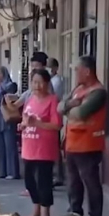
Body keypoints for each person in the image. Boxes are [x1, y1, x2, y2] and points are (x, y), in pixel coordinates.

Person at [59, 55, 108, 216]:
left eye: (77, 70)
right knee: (73, 182)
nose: (75, 73)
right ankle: (75, 212)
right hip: (72, 143)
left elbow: (81, 113)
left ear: (87, 71)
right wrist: (70, 105)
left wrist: (70, 107)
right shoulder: (78, 89)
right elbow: (60, 107)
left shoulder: (98, 92)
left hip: (89, 144)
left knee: (90, 181)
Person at [21, 69, 62, 216]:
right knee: (29, 182)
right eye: (34, 82)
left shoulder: (52, 100)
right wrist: (23, 125)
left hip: (44, 148)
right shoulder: (30, 100)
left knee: (44, 181)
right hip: (29, 146)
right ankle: (36, 209)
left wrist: (37, 123)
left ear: (47, 83)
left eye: (40, 82)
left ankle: (46, 213)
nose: (36, 86)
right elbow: (26, 120)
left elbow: (57, 125)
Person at [0, 67, 21, 179]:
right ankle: (2, 171)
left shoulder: (10, 85)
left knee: (10, 145)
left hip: (7, 116)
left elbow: (7, 92)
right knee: (1, 146)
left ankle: (13, 172)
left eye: (0, 74)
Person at [48, 57, 66, 187]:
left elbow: (53, 97)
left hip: (54, 116)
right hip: (48, 117)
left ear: (54, 68)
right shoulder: (50, 80)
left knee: (55, 147)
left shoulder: (57, 81)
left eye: (49, 66)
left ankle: (58, 175)